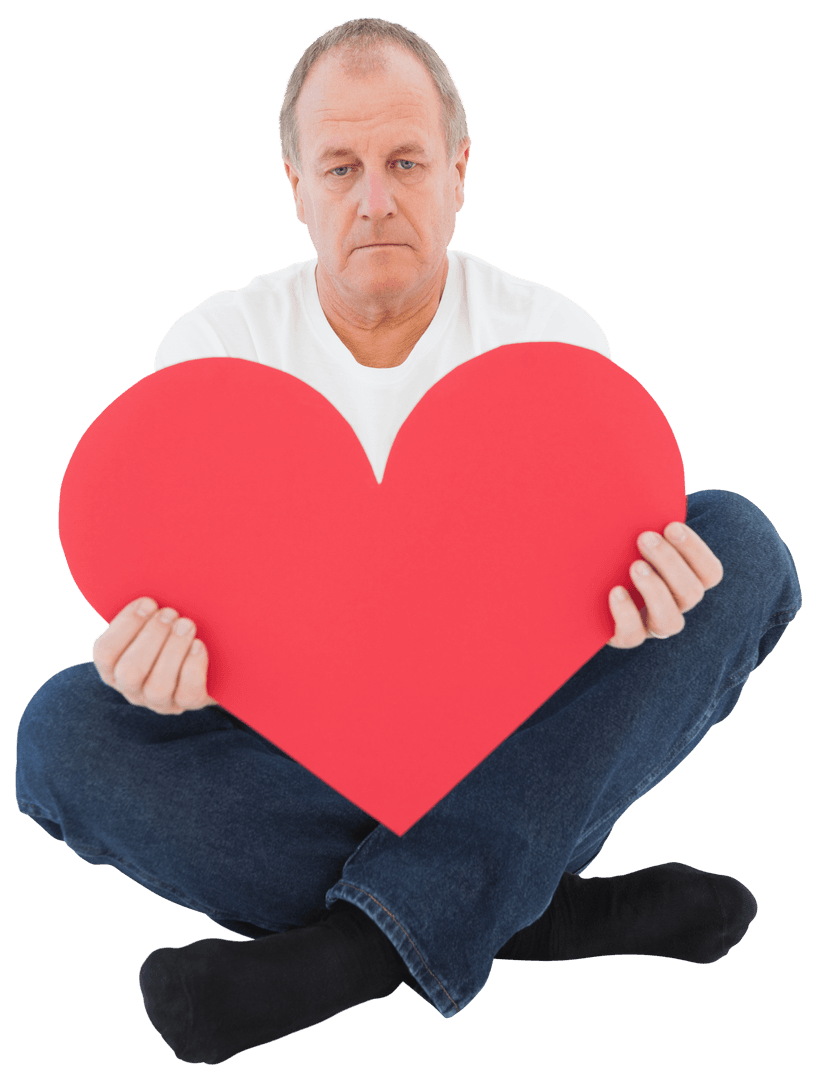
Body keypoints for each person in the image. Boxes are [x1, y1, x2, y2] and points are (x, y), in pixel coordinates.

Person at [15, 17, 802, 1066]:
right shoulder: (212, 356)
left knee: (737, 547)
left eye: (404, 162)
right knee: (61, 734)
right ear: (294, 183)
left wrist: (635, 620)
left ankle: (352, 953)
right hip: (307, 758)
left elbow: (561, 648)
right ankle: (531, 912)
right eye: (339, 167)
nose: (373, 199)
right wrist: (173, 675)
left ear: (459, 171)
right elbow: (223, 628)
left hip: (518, 745)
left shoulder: (552, 347)